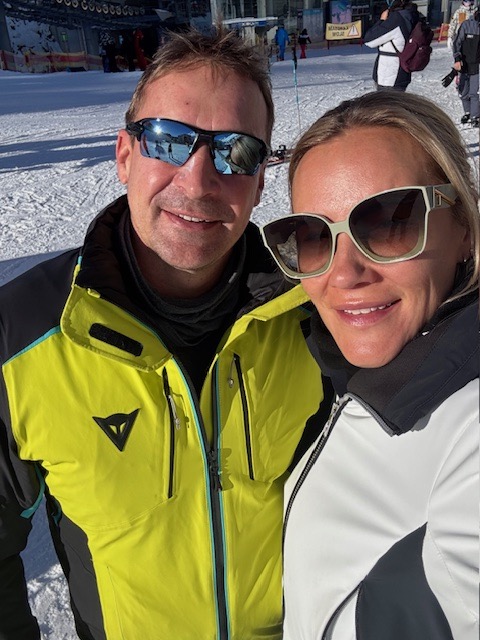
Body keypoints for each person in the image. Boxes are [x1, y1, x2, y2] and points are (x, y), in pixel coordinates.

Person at [0, 29, 326, 640]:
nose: (198, 181)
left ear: (260, 182)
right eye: (168, 140)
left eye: (236, 152)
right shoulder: (20, 334)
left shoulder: (316, 313)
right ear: (125, 154)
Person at [261, 91, 479, 639]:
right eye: (313, 237)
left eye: (389, 222)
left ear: (465, 229)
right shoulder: (333, 374)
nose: (343, 273)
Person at [364, 0, 422, 91]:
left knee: (387, 100)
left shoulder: (396, 19)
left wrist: (381, 20)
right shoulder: (411, 14)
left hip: (390, 76)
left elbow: (369, 40)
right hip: (402, 71)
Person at [452, 4, 480, 126]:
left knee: (473, 92)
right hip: (464, 63)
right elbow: (457, 43)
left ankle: (475, 116)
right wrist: (457, 59)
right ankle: (467, 112)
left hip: (477, 65)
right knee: (463, 92)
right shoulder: (467, 25)